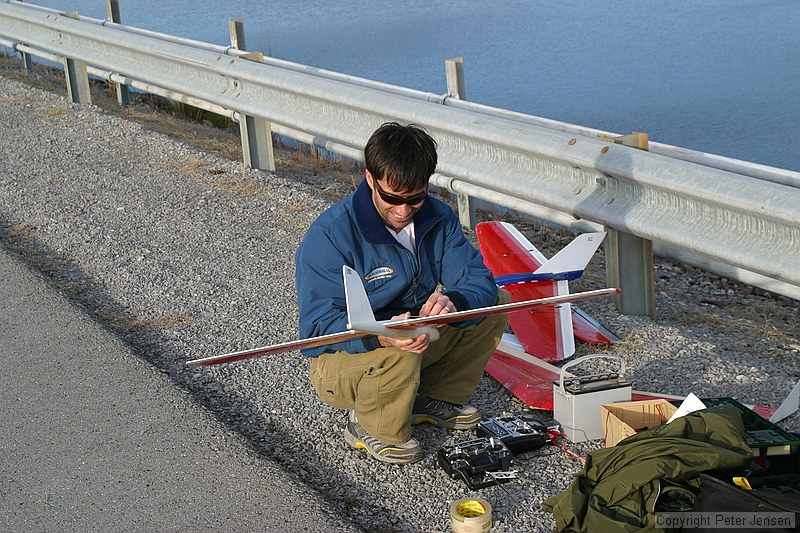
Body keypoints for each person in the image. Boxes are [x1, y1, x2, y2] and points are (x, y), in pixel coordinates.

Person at [295, 122, 509, 464]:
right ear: (369, 178)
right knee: (401, 351)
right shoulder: (330, 235)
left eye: (414, 199)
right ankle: (370, 425)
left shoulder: (439, 218)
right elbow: (317, 328)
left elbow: (478, 280)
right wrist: (382, 336)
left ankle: (430, 396)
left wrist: (455, 301)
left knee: (493, 303)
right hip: (345, 359)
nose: (403, 211)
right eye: (392, 198)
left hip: (411, 338)